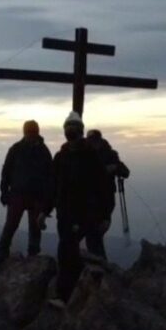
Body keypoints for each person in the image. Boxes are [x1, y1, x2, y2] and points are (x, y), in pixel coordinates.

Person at [50, 111, 111, 306]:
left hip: (87, 213)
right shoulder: (60, 157)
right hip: (66, 214)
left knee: (92, 253)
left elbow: (103, 187)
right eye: (68, 129)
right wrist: (45, 210)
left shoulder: (91, 157)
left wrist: (105, 215)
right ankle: (66, 296)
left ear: (80, 131)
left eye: (74, 129)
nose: (71, 132)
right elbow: (53, 186)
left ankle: (100, 294)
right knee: (67, 253)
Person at [0, 119, 53, 265]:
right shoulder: (20, 149)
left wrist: (47, 202)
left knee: (32, 228)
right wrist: (4, 192)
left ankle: (31, 257)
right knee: (12, 225)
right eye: (29, 132)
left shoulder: (36, 150)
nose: (31, 135)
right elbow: (6, 171)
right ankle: (2, 256)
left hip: (33, 196)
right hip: (19, 195)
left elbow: (50, 176)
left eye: (32, 132)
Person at [85, 129, 130, 260]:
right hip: (95, 202)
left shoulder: (109, 155)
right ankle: (100, 263)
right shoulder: (88, 155)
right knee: (94, 235)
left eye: (94, 141)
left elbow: (125, 172)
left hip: (104, 203)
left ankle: (99, 264)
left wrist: (115, 167)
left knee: (94, 235)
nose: (93, 144)